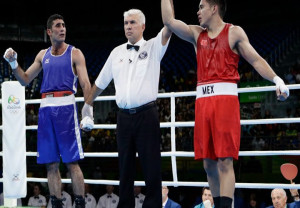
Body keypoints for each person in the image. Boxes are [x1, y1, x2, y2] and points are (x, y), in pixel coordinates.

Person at [161, 0, 289, 207]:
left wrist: (277, 79)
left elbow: (255, 59)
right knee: (208, 162)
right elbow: (168, 20)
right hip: (202, 102)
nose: (197, 11)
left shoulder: (233, 33)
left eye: (201, 6)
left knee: (224, 160)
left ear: (214, 8)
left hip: (225, 102)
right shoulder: (196, 34)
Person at [81, 8, 172, 208]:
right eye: (126, 23)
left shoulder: (154, 46)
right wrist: (87, 104)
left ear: (143, 26)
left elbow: (169, 26)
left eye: (132, 22)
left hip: (147, 115)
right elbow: (100, 83)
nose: (128, 26)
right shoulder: (116, 52)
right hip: (123, 118)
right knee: (124, 168)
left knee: (152, 167)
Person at [3, 14, 91, 208]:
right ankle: (56, 203)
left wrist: (87, 110)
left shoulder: (75, 53)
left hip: (67, 109)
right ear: (49, 32)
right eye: (58, 26)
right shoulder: (43, 55)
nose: (63, 29)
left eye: (64, 25)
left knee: (72, 162)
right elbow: (24, 79)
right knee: (51, 163)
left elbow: (85, 83)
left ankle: (80, 203)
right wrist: (13, 63)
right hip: (45, 110)